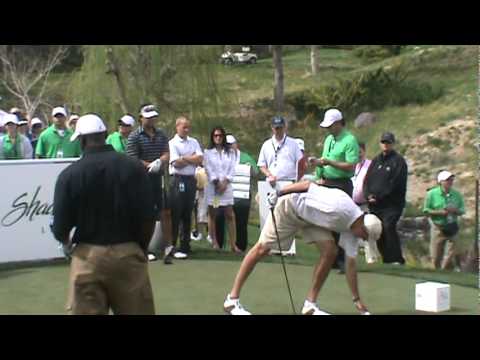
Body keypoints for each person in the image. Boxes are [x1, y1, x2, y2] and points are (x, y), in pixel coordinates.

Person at [223, 181, 382, 315]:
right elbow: (308, 185)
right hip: (290, 207)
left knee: (330, 251)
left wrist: (357, 300)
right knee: (262, 249)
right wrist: (279, 193)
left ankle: (310, 305)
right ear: (363, 228)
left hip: (310, 220)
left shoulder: (352, 230)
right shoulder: (340, 206)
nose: (362, 240)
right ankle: (232, 300)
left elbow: (350, 265)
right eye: (365, 237)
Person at [51, 114, 156, 315]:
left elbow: (60, 228)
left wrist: (69, 245)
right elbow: (148, 217)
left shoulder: (69, 175)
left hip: (87, 257)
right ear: (105, 135)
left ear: (81, 141)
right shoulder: (133, 167)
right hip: (128, 252)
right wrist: (140, 247)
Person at [309, 108, 360, 273]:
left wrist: (330, 163)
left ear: (339, 123)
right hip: (327, 182)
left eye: (331, 126)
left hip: (342, 184)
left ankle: (344, 260)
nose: (328, 129)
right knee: (327, 221)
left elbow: (351, 165)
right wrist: (319, 170)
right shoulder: (329, 139)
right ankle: (331, 258)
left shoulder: (350, 140)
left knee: (342, 222)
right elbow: (325, 160)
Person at [127, 105, 171, 264]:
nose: (152, 119)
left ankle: (168, 247)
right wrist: (150, 165)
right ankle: (143, 248)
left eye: (154, 117)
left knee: (164, 212)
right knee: (145, 214)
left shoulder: (161, 135)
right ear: (141, 118)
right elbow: (132, 159)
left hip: (158, 179)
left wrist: (160, 161)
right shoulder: (134, 136)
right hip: (141, 180)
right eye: (148, 117)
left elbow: (167, 152)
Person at [364, 132, 408, 265]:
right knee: (378, 230)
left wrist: (379, 196)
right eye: (383, 142)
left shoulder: (398, 161)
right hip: (375, 205)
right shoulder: (376, 160)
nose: (385, 145)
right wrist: (368, 195)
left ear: (393, 144)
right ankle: (386, 259)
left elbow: (395, 184)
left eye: (388, 143)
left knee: (389, 227)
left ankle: (396, 259)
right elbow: (367, 180)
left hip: (392, 205)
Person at [168, 116, 204, 259]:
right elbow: (176, 163)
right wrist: (191, 158)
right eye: (184, 127)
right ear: (177, 127)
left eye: (188, 127)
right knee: (176, 212)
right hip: (177, 180)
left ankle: (185, 246)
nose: (187, 130)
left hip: (190, 180)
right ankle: (172, 246)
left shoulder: (193, 141)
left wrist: (184, 158)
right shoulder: (172, 143)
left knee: (187, 213)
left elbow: (200, 159)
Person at [204, 127, 241, 253]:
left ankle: (233, 244)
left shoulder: (230, 152)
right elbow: (208, 168)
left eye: (220, 135)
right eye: (215, 135)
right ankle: (214, 242)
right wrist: (216, 182)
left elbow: (232, 168)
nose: (218, 138)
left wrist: (225, 182)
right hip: (215, 190)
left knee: (230, 214)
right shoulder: (208, 152)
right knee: (213, 213)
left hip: (226, 188)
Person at [423, 170, 465, 270]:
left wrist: (455, 210)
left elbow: (462, 210)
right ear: (441, 182)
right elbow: (426, 210)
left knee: (452, 251)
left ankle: (445, 270)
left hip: (452, 226)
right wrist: (440, 212)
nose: (450, 182)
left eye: (451, 180)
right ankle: (436, 272)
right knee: (436, 255)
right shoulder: (432, 194)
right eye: (447, 180)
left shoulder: (457, 194)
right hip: (438, 226)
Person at [226, 134, 259, 252]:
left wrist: (249, 168)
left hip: (242, 195)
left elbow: (255, 172)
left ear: (236, 145)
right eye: (227, 145)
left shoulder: (245, 157)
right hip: (225, 194)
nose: (230, 147)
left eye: (231, 144)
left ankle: (240, 246)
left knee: (241, 220)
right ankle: (224, 245)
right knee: (221, 217)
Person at [258, 116, 304, 188]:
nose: (279, 131)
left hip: (290, 182)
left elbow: (301, 162)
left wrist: (298, 180)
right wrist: (269, 175)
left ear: (285, 127)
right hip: (272, 182)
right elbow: (261, 165)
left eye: (281, 128)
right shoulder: (266, 145)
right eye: (276, 128)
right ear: (272, 128)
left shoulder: (293, 143)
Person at [352, 142, 379, 264]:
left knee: (367, 230)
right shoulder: (351, 166)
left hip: (364, 204)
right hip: (351, 205)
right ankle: (352, 259)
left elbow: (375, 183)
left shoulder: (370, 166)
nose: (357, 154)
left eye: (359, 151)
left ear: (364, 151)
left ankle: (371, 259)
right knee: (350, 232)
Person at [191, 165, 209, 242]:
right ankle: (200, 233)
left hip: (215, 196)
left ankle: (211, 234)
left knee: (214, 213)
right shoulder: (197, 170)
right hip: (201, 195)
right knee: (201, 214)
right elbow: (198, 186)